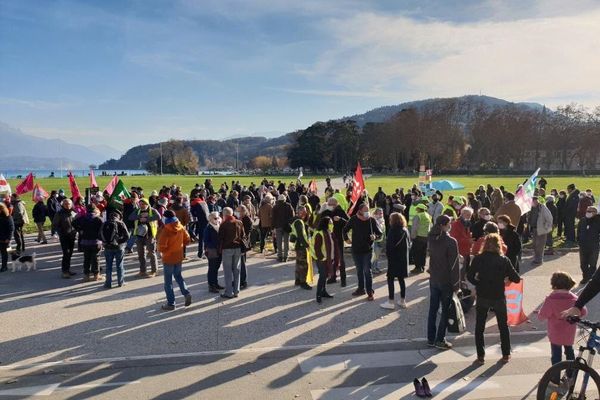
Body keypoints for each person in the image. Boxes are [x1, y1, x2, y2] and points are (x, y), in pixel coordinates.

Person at [468, 233, 520, 364]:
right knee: (503, 326)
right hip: (498, 295)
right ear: (499, 245)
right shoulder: (503, 260)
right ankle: (506, 354)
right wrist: (505, 278)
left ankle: (480, 356)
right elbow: (516, 278)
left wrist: (478, 283)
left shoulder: (478, 259)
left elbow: (469, 275)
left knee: (480, 326)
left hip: (483, 295)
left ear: (484, 244)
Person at [539, 271, 587, 382]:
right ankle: (570, 376)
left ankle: (555, 378)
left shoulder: (550, 300)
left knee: (556, 356)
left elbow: (542, 316)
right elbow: (583, 312)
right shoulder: (574, 299)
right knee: (569, 353)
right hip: (569, 334)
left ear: (554, 285)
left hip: (555, 334)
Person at [427, 215, 460, 350]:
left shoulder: (432, 238)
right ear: (444, 225)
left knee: (433, 310)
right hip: (446, 280)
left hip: (434, 278)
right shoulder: (450, 241)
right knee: (445, 311)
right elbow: (454, 265)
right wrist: (456, 284)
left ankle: (430, 338)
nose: (450, 225)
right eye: (449, 223)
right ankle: (440, 339)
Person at [343, 203, 382, 301]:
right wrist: (346, 239)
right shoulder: (353, 219)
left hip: (367, 250)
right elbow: (345, 230)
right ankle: (361, 289)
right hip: (356, 249)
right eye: (365, 210)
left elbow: (380, 234)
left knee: (367, 271)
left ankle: (370, 292)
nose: (367, 212)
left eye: (368, 210)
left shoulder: (371, 220)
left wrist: (375, 237)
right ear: (360, 211)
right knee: (359, 271)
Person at [158, 210, 192, 311]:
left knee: (168, 282)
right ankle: (186, 293)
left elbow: (162, 246)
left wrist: (161, 252)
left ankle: (171, 303)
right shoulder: (181, 227)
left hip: (168, 258)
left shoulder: (166, 230)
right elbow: (187, 240)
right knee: (178, 276)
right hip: (179, 256)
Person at [380, 212, 411, 310]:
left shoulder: (392, 231)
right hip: (403, 259)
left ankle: (391, 301)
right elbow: (409, 243)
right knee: (401, 280)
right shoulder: (405, 230)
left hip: (394, 259)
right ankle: (402, 300)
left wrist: (388, 256)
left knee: (390, 279)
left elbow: (389, 247)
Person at [318, 197, 349, 286]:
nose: (329, 206)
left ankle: (343, 280)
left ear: (336, 204)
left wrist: (340, 219)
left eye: (331, 204)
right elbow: (319, 224)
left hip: (338, 238)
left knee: (341, 259)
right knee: (331, 259)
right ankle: (332, 277)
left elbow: (348, 223)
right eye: (328, 204)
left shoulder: (341, 212)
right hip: (327, 239)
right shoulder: (325, 212)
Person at [218, 207, 245, 299]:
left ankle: (229, 292)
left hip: (227, 249)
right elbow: (243, 235)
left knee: (228, 271)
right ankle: (236, 291)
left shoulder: (224, 224)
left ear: (224, 215)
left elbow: (220, 238)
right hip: (237, 248)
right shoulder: (239, 222)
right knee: (236, 270)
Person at [129, 198, 160, 277]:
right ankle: (142, 271)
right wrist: (139, 217)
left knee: (151, 253)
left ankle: (154, 271)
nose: (142, 206)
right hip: (139, 235)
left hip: (150, 235)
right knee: (141, 254)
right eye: (140, 204)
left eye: (143, 204)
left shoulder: (152, 210)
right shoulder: (138, 210)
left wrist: (147, 218)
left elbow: (158, 217)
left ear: (147, 204)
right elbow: (130, 217)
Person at [73, 204, 104, 282]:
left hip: (85, 242)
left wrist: (80, 229)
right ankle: (96, 275)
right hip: (96, 242)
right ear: (95, 209)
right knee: (96, 259)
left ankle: (86, 276)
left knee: (86, 259)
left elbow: (73, 223)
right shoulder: (98, 219)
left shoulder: (83, 218)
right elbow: (103, 228)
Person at [101, 209, 130, 289]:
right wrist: (120, 242)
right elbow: (127, 236)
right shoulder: (121, 223)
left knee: (108, 266)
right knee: (119, 265)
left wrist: (105, 242)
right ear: (119, 217)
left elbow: (99, 235)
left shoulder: (105, 223)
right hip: (119, 247)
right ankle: (120, 282)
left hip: (108, 247)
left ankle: (108, 283)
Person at [311, 216, 334, 303]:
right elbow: (317, 249)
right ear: (326, 224)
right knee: (322, 276)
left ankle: (324, 292)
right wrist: (322, 258)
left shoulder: (328, 232)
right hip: (321, 259)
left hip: (327, 258)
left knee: (324, 276)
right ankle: (318, 294)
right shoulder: (319, 234)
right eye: (330, 222)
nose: (332, 224)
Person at [53, 199, 78, 278]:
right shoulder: (59, 213)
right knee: (66, 253)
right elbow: (55, 225)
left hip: (72, 236)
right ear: (63, 205)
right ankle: (65, 271)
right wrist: (60, 233)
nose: (68, 205)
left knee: (70, 253)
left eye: (69, 204)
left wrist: (77, 230)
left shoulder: (73, 212)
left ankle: (68, 269)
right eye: (66, 204)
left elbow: (76, 221)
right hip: (64, 236)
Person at [577, 206, 600, 284]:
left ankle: (590, 279)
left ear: (595, 213)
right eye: (587, 211)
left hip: (594, 246)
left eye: (590, 211)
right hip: (583, 246)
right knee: (583, 264)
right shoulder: (583, 220)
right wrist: (579, 240)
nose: (588, 212)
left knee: (592, 264)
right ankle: (586, 277)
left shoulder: (598, 221)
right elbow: (579, 231)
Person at [291, 206, 312, 290]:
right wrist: (307, 245)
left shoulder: (297, 220)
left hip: (298, 245)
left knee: (299, 263)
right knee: (303, 265)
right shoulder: (299, 222)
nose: (304, 213)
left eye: (305, 211)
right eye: (302, 212)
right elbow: (301, 235)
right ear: (298, 212)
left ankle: (298, 280)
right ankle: (303, 282)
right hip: (300, 245)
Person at [528, 196, 554, 265]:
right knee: (534, 245)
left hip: (541, 229)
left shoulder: (542, 208)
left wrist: (545, 227)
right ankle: (536, 258)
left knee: (540, 245)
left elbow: (549, 218)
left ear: (536, 201)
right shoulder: (531, 208)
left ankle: (539, 260)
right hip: (534, 229)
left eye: (534, 201)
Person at [450, 207, 474, 277]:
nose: (469, 217)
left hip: (466, 251)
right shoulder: (456, 224)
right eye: (467, 215)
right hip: (459, 251)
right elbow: (454, 239)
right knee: (460, 272)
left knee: (463, 272)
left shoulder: (466, 224)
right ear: (462, 214)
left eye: (470, 215)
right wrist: (468, 241)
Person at [204, 212, 223, 293]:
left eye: (218, 217)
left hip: (219, 250)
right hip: (212, 250)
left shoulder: (218, 226)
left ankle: (215, 283)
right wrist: (214, 245)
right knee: (212, 268)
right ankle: (211, 285)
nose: (217, 219)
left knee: (217, 267)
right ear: (210, 219)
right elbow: (206, 241)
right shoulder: (208, 228)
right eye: (215, 218)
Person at [409, 203, 431, 274]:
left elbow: (414, 228)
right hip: (426, 237)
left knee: (416, 253)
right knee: (423, 253)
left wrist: (412, 236)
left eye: (417, 208)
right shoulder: (427, 215)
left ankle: (417, 267)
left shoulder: (418, 216)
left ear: (419, 209)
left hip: (418, 237)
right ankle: (422, 266)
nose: (416, 210)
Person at [271, 194, 294, 262]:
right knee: (286, 242)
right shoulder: (288, 206)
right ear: (284, 199)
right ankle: (286, 256)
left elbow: (273, 218)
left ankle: (279, 256)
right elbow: (292, 216)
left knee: (279, 242)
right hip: (286, 226)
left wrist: (273, 228)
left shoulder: (275, 207)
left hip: (278, 226)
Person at [236, 205, 252, 289]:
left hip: (243, 243)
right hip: (239, 243)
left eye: (240, 211)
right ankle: (239, 280)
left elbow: (246, 232)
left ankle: (243, 281)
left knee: (242, 263)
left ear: (244, 211)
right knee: (239, 263)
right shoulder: (239, 219)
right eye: (238, 211)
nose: (238, 213)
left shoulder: (246, 219)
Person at [371, 208, 386, 274]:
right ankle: (373, 268)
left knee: (377, 256)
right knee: (374, 255)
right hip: (375, 240)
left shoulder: (382, 219)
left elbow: (383, 230)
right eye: (379, 213)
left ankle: (376, 267)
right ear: (376, 213)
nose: (381, 214)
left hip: (381, 239)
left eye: (382, 213)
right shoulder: (374, 220)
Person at [0, 203, 14, 272]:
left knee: (4, 253)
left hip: (4, 239)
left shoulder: (8, 217)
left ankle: (4, 266)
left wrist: (8, 238)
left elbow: (11, 229)